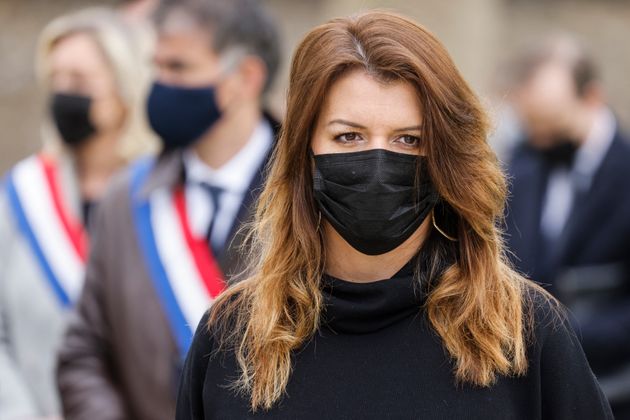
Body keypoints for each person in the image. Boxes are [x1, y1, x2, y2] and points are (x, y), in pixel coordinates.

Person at [176, 11, 612, 420]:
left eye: (407, 140)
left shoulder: (524, 333)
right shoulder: (232, 336)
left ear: (445, 159)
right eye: (348, 136)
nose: (379, 162)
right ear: (304, 153)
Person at [56, 0, 280, 419]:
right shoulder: (126, 198)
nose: (158, 85)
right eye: (155, 67)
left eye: (178, 68)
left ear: (245, 77)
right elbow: (84, 351)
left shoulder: (307, 195)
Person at [0, 7, 156, 419]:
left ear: (125, 87)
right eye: (57, 80)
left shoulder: (164, 193)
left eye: (81, 81)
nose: (65, 93)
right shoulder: (22, 195)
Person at [504, 35, 630, 418]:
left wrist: (554, 336)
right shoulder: (523, 164)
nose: (541, 140)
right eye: (533, 128)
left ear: (592, 98)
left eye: (553, 127)